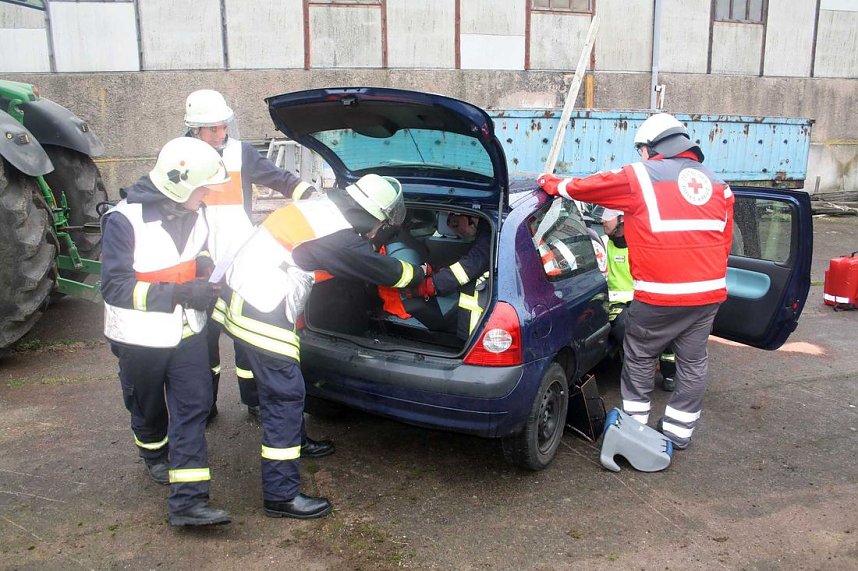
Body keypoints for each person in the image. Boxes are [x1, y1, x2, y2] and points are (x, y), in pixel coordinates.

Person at [212, 173, 428, 519]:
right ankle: (281, 495)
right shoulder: (339, 237)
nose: (379, 229)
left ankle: (297, 442)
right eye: (382, 222)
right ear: (373, 214)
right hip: (261, 307)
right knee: (286, 396)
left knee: (283, 386)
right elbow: (387, 272)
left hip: (241, 292)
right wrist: (420, 273)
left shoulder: (322, 208)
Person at [538, 113, 734, 449]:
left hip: (659, 294)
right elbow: (724, 242)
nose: (641, 155)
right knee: (693, 362)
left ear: (652, 147)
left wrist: (552, 183)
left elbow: (589, 187)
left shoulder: (642, 176)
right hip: (708, 295)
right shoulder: (719, 185)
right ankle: (678, 433)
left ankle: (634, 431)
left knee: (640, 355)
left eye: (641, 149)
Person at [183, 89, 333, 459]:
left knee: (248, 337)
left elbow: (277, 177)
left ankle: (254, 401)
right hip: (199, 262)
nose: (220, 134)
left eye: (223, 126)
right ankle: (206, 405)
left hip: (241, 260)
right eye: (212, 129)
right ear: (194, 129)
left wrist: (308, 193)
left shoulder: (240, 153)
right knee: (203, 340)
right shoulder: (181, 157)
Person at [101, 137, 231, 527]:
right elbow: (115, 287)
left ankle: (189, 503)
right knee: (147, 406)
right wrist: (178, 293)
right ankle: (154, 453)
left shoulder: (196, 210)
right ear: (180, 186)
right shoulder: (124, 220)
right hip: (140, 336)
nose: (207, 195)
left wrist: (205, 272)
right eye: (203, 188)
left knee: (193, 406)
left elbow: (198, 251)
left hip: (187, 331)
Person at [601, 208, 676, 391]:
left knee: (666, 331)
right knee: (625, 329)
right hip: (617, 303)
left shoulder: (643, 244)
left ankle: (669, 373)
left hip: (645, 300)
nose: (603, 220)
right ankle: (639, 373)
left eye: (608, 217)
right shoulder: (603, 244)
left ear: (622, 219)